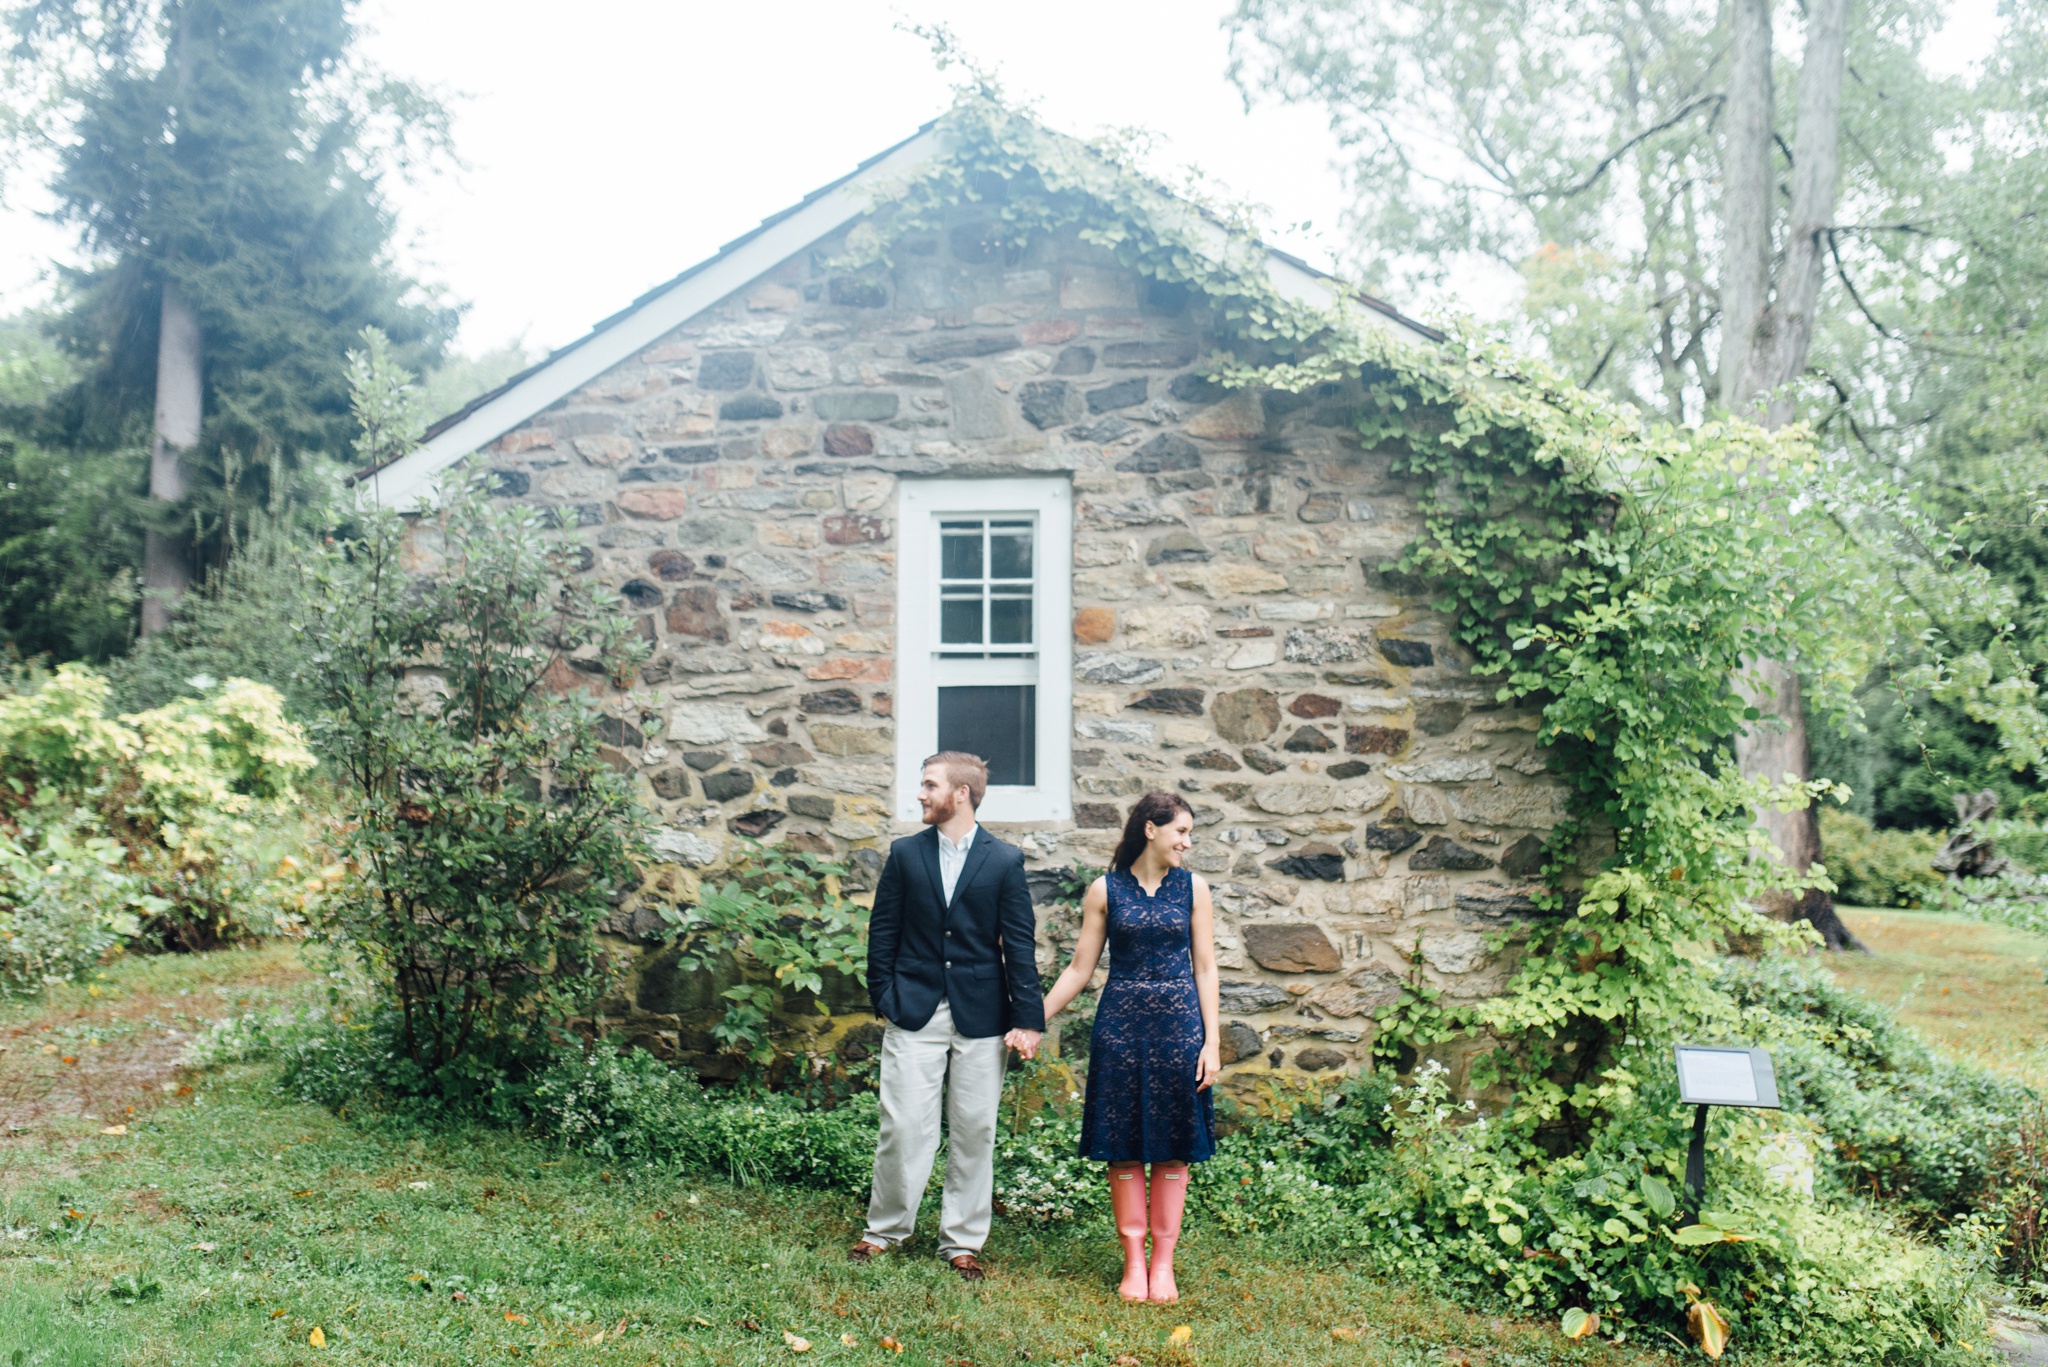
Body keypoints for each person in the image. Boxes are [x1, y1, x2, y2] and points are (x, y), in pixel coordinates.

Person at [848, 752, 1046, 1282]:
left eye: (929, 784)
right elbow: (882, 932)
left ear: (961, 793)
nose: (920, 793)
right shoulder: (906, 854)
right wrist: (885, 997)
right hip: (914, 1009)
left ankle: (962, 1242)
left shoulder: (1003, 860)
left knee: (975, 1129)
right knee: (904, 1126)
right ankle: (884, 1231)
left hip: (983, 1014)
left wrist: (1027, 1019)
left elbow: (1019, 945)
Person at [1019, 791, 1220, 1303]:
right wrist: (1030, 1018)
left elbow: (1205, 968)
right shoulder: (1104, 889)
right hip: (1121, 1031)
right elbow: (1079, 969)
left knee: (1175, 1150)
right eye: (1181, 832)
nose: (1187, 842)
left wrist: (1212, 1043)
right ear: (1150, 829)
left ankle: (1164, 1266)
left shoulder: (1193, 888)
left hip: (1180, 1029)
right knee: (1124, 1148)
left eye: (1189, 833)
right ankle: (1133, 1263)